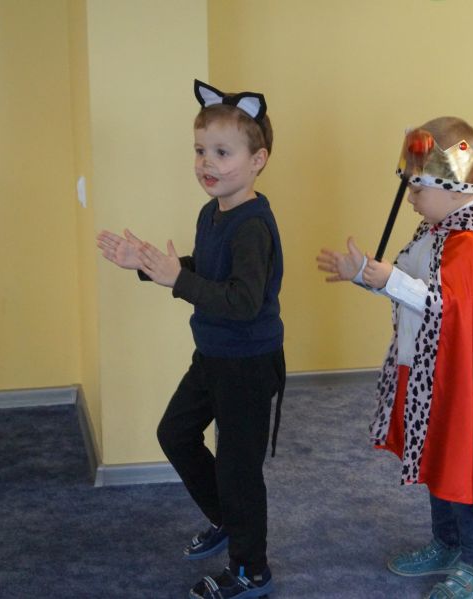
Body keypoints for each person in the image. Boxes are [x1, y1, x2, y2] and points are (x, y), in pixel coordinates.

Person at [96, 79, 285, 599]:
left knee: (239, 470)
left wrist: (176, 279)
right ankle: (228, 519)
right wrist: (149, 265)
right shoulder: (212, 212)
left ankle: (251, 571)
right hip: (214, 355)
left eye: (223, 152)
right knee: (175, 433)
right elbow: (206, 270)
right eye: (201, 150)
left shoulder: (253, 226)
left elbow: (242, 301)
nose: (207, 162)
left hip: (248, 363)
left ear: (258, 160)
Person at [316, 117, 473, 599]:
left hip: (457, 379)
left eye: (417, 186)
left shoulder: (470, 242)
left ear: (451, 187)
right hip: (426, 368)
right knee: (435, 456)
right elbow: (405, 283)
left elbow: (447, 305)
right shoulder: (436, 230)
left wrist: (385, 278)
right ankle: (447, 544)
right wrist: (365, 273)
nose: (409, 196)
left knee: (460, 465)